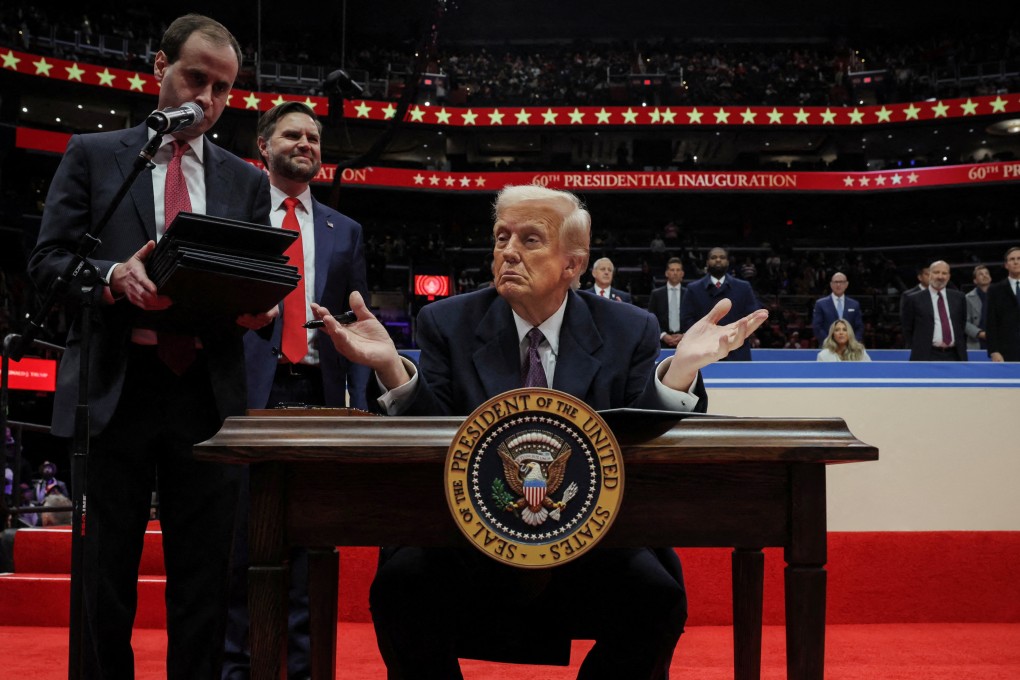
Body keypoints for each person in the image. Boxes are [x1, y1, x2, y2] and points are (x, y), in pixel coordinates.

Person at [311, 184, 768, 679]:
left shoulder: (629, 327)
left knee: (657, 599)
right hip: (466, 539)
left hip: (595, 541)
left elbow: (640, 433)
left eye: (530, 240)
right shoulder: (447, 321)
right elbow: (435, 426)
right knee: (400, 587)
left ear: (573, 264)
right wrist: (393, 372)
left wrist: (680, 372)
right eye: (501, 236)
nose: (507, 251)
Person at [27, 14, 272, 679]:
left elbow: (259, 288)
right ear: (158, 67)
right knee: (103, 578)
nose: (211, 100)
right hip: (114, 389)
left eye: (224, 89)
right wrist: (111, 278)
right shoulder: (94, 154)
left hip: (205, 392)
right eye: (198, 78)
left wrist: (260, 311)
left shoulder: (246, 182)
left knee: (204, 586)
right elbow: (47, 265)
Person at [223, 101, 370, 680]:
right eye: (292, 134)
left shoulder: (346, 230)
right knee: (240, 546)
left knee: (313, 550)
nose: (305, 143)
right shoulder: (234, 214)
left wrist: (355, 403)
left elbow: (359, 328)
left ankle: (306, 672)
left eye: (313, 136)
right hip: (245, 396)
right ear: (264, 144)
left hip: (318, 393)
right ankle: (238, 669)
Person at [680, 247, 763, 361]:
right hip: (702, 353)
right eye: (713, 257)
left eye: (722, 257)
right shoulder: (693, 289)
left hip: (737, 352)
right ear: (707, 262)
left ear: (728, 262)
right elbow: (687, 320)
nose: (718, 260)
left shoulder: (743, 287)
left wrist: (734, 336)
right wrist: (706, 337)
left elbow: (752, 317)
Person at [901, 260, 967, 361]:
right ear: (930, 275)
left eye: (944, 273)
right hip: (926, 355)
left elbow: (961, 324)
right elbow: (907, 328)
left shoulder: (959, 297)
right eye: (936, 272)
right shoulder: (913, 299)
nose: (940, 277)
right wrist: (919, 347)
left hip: (955, 355)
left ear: (949, 276)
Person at [986, 246, 1020, 362]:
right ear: (1006, 265)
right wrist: (994, 351)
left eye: (1019, 258)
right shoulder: (995, 290)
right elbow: (991, 323)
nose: (1016, 262)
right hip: (1006, 351)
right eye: (1012, 259)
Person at [811, 271, 864, 344]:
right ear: (831, 284)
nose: (838, 285)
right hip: (827, 348)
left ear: (846, 284)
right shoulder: (820, 304)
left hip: (850, 348)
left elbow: (859, 327)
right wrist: (829, 342)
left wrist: (853, 342)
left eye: (841, 282)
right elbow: (817, 327)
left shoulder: (854, 305)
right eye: (836, 282)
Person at [646, 256, 685, 347]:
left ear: (682, 273)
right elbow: (651, 318)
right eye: (672, 270)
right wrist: (663, 335)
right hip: (661, 342)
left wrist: (684, 335)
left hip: (685, 342)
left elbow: (693, 318)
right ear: (666, 273)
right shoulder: (656, 294)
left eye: (678, 270)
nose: (675, 273)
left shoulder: (689, 294)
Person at [965, 264, 991, 350]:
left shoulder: (1001, 295)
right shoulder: (967, 298)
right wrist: (980, 334)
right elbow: (964, 322)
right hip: (976, 341)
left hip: (998, 340)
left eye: (986, 273)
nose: (984, 275)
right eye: (981, 274)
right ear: (975, 281)